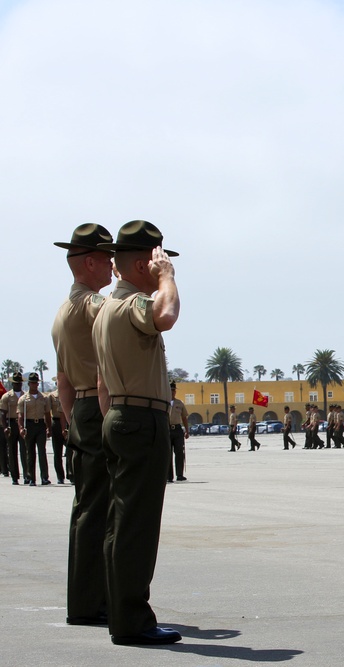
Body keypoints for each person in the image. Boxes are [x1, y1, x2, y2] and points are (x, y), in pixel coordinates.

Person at [91, 219, 181, 645]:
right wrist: (168, 278)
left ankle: (121, 614)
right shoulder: (132, 306)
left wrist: (116, 424)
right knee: (137, 526)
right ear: (146, 264)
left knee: (120, 523)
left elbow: (102, 385)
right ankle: (132, 620)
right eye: (159, 260)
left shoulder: (105, 309)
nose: (164, 266)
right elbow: (166, 314)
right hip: (141, 419)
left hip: (121, 416)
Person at [51, 222, 115, 626]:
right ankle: (94, 602)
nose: (113, 265)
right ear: (89, 262)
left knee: (86, 507)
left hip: (81, 412)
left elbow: (62, 382)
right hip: (100, 408)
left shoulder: (61, 313)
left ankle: (85, 600)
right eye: (108, 258)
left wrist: (74, 420)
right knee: (101, 510)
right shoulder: (96, 307)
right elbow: (103, 371)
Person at [18, 372, 53, 486]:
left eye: (36, 383)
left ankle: (44, 477)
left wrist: (49, 428)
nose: (34, 385)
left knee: (42, 452)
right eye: (32, 383)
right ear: (29, 384)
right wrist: (21, 428)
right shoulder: (23, 399)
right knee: (30, 452)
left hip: (40, 425)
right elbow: (20, 416)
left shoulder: (44, 398)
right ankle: (31, 477)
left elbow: (47, 414)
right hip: (29, 425)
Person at [1, 371, 27, 484]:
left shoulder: (25, 396)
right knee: (12, 451)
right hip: (11, 424)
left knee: (24, 450)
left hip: (21, 425)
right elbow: (2, 413)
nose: (18, 384)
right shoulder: (6, 396)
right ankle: (14, 476)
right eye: (16, 383)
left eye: (19, 383)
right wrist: (5, 427)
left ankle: (27, 475)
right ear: (13, 384)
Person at [167, 382, 188, 481]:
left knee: (179, 452)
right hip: (167, 429)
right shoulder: (164, 402)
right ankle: (168, 476)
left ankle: (179, 474)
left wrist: (187, 430)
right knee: (168, 454)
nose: (173, 392)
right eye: (171, 390)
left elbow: (184, 417)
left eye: (174, 390)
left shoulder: (179, 403)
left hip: (178, 430)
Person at [48, 387, 68, 484]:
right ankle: (60, 476)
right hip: (56, 422)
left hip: (68, 422)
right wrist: (48, 427)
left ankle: (71, 473)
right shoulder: (52, 395)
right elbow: (47, 412)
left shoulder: (69, 392)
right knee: (57, 452)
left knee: (71, 450)